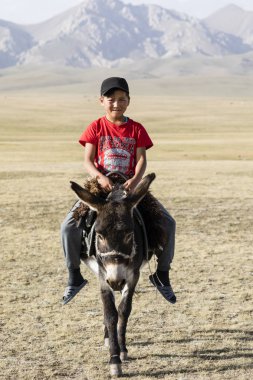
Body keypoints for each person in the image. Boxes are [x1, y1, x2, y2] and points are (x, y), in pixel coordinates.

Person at [61, 77, 176, 305]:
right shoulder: (96, 126)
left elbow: (142, 160)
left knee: (168, 223)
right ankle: (74, 276)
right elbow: (88, 160)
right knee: (68, 226)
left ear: (129, 101)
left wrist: (135, 180)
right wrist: (100, 177)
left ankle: (161, 274)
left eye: (122, 99)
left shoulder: (136, 129)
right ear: (101, 101)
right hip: (100, 187)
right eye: (111, 99)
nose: (116, 103)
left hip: (129, 187)